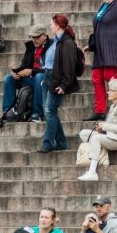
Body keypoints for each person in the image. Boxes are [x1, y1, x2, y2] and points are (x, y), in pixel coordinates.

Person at [77, 79, 117, 181]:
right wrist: (102, 129)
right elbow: (112, 126)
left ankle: (92, 172)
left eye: (111, 90)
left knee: (96, 139)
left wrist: (104, 126)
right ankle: (98, 155)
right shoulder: (115, 105)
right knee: (84, 133)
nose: (108, 92)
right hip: (115, 136)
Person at [39, 14, 80, 153]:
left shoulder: (67, 43)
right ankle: (61, 142)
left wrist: (64, 85)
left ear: (57, 26)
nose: (50, 26)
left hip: (56, 79)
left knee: (49, 110)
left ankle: (48, 143)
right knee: (49, 111)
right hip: (48, 76)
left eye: (51, 24)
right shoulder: (56, 41)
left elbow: (69, 66)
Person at [1, 27, 51, 124]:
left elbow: (50, 69)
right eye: (32, 37)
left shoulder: (51, 47)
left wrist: (32, 71)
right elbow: (24, 65)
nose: (34, 40)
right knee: (9, 78)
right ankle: (8, 112)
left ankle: (37, 114)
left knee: (39, 77)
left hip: (45, 79)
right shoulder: (30, 47)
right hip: (31, 79)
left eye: (37, 37)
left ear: (44, 36)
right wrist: (17, 73)